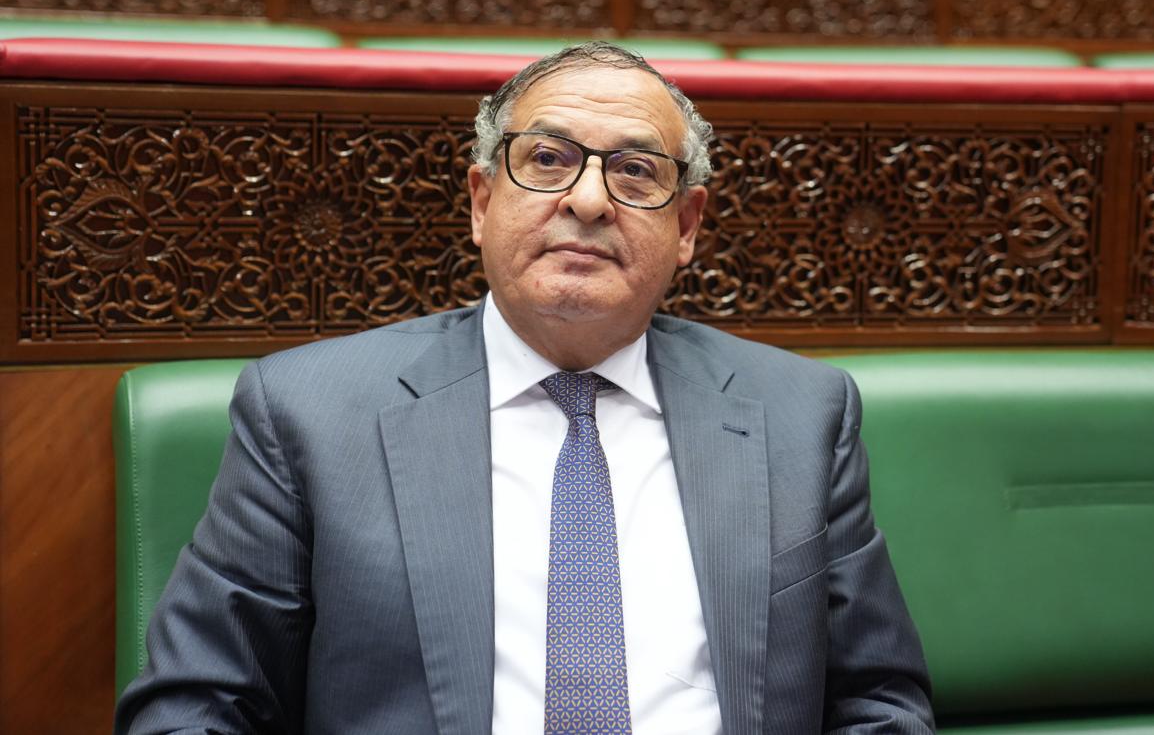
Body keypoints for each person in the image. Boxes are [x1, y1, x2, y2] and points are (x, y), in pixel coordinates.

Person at [116, 42, 934, 734]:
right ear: (481, 202)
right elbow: (195, 707)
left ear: (686, 225)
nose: (588, 200)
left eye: (635, 172)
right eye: (547, 159)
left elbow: (878, 705)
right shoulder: (309, 413)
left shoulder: (801, 415)